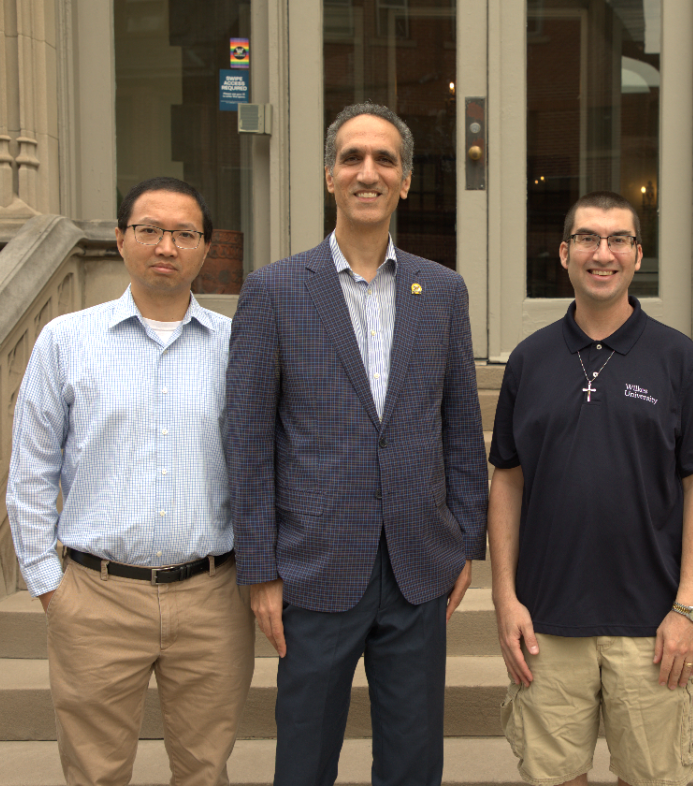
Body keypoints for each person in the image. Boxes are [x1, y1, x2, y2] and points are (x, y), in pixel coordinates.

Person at [225, 102, 489, 786]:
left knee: (412, 760)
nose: (367, 172)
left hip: (418, 567)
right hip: (313, 570)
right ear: (328, 176)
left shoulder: (445, 292)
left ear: (404, 182)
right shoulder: (275, 290)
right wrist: (258, 567)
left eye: (384, 160)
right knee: (305, 760)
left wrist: (465, 540)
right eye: (352, 158)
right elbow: (248, 440)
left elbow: (460, 425)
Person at [6, 176, 254, 786]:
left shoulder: (238, 346)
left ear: (205, 247)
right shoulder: (66, 341)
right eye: (149, 230)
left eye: (183, 233)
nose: (165, 246)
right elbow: (30, 471)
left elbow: (264, 463)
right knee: (94, 773)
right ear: (121, 240)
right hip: (95, 596)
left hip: (213, 598)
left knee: (205, 770)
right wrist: (48, 584)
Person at [488, 191, 693, 786]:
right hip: (546, 624)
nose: (604, 253)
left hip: (652, 627)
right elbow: (507, 483)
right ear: (565, 253)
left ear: (638, 255)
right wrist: (504, 599)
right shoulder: (529, 359)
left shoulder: (677, 358)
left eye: (619, 239)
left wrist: (691, 607)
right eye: (589, 239)